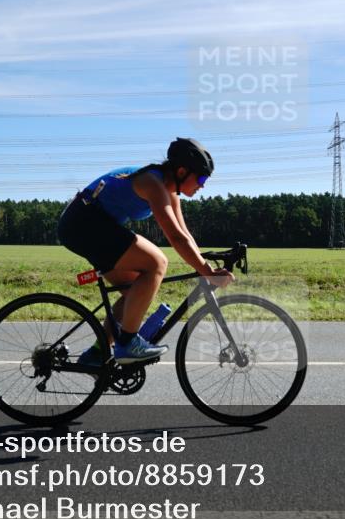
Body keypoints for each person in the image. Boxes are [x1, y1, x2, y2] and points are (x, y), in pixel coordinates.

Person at [57, 138, 234, 365]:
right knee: (157, 263)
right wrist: (207, 272)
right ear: (181, 171)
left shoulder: (169, 191)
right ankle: (129, 343)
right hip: (85, 223)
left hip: (89, 225)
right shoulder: (153, 184)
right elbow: (176, 239)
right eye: (201, 178)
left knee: (133, 293)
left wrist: (204, 263)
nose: (203, 185)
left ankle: (97, 354)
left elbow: (185, 234)